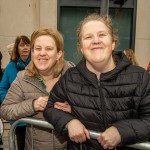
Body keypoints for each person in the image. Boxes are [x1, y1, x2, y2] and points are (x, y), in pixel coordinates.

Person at [43, 13, 150, 150]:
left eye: (102, 35)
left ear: (113, 43)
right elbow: (50, 107)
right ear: (81, 47)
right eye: (88, 37)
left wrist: (122, 131)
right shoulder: (70, 78)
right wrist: (69, 122)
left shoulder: (140, 77)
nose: (96, 41)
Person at [1, 28, 74, 150]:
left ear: (59, 54)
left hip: (69, 145)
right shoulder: (22, 78)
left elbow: (94, 109)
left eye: (49, 49)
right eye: (38, 48)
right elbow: (5, 110)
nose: (42, 53)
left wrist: (73, 109)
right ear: (33, 53)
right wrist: (33, 105)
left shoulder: (73, 75)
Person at [0, 35, 31, 150]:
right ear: (17, 48)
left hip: (35, 116)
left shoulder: (37, 65)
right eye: (22, 45)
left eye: (27, 45)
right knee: (21, 145)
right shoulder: (10, 67)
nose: (25, 48)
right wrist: (9, 102)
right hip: (18, 117)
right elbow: (2, 88)